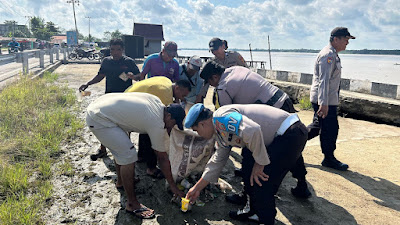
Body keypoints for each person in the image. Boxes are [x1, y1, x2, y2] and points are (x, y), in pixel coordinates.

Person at [200, 61, 311, 203]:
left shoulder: (223, 87)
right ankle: (302, 183)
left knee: (249, 153)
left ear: (214, 77)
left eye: (210, 82)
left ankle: (247, 195)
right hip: (283, 103)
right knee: (292, 148)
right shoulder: (235, 69)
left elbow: (227, 119)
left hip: (269, 115)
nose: (212, 86)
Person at [184, 103, 308, 225]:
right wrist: (197, 188)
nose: (199, 134)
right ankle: (253, 212)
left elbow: (252, 130)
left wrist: (260, 162)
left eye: (197, 130)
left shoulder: (222, 117)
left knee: (262, 183)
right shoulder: (219, 131)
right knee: (248, 169)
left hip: (291, 134)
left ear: (202, 124)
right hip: (280, 136)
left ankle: (266, 219)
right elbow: (217, 161)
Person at [86, 92, 186, 219]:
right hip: (99, 118)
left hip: (101, 106)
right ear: (169, 116)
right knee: (129, 155)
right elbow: (162, 158)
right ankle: (132, 204)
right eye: (173, 123)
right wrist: (173, 186)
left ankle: (121, 182)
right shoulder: (156, 122)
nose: (172, 127)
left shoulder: (156, 101)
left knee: (122, 149)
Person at [79, 38, 140, 160]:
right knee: (105, 122)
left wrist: (134, 76)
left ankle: (126, 149)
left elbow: (139, 77)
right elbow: (100, 76)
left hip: (125, 98)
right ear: (110, 50)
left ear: (122, 50)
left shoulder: (129, 62)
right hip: (108, 97)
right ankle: (103, 149)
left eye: (118, 50)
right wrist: (88, 84)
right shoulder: (106, 61)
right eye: (112, 49)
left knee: (124, 124)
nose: (115, 52)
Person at [307, 27, 355, 171]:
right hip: (325, 101)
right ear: (336, 39)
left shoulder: (333, 55)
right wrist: (324, 103)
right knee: (330, 129)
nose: (347, 43)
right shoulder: (328, 55)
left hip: (327, 100)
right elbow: (324, 81)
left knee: (317, 127)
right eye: (345, 39)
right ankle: (329, 159)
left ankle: (290, 141)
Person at [124, 77, 191, 178]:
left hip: (128, 96)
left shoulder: (168, 82)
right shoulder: (164, 95)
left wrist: (177, 99)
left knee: (145, 129)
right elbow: (163, 122)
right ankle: (151, 168)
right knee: (153, 135)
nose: (182, 98)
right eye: (183, 95)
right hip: (128, 105)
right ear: (177, 88)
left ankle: (141, 156)